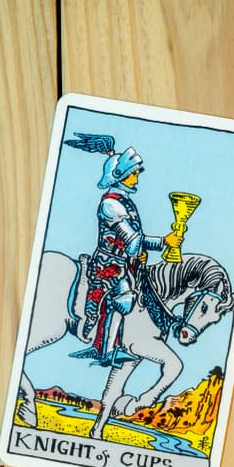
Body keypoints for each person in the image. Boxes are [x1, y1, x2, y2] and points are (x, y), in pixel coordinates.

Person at [71, 146, 183, 367]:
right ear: (120, 175)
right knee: (118, 301)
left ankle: (109, 350)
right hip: (108, 264)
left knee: (125, 302)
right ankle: (99, 345)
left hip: (122, 264)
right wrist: (158, 244)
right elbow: (131, 239)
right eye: (133, 173)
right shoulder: (111, 204)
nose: (136, 177)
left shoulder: (124, 201)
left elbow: (135, 240)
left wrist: (162, 243)